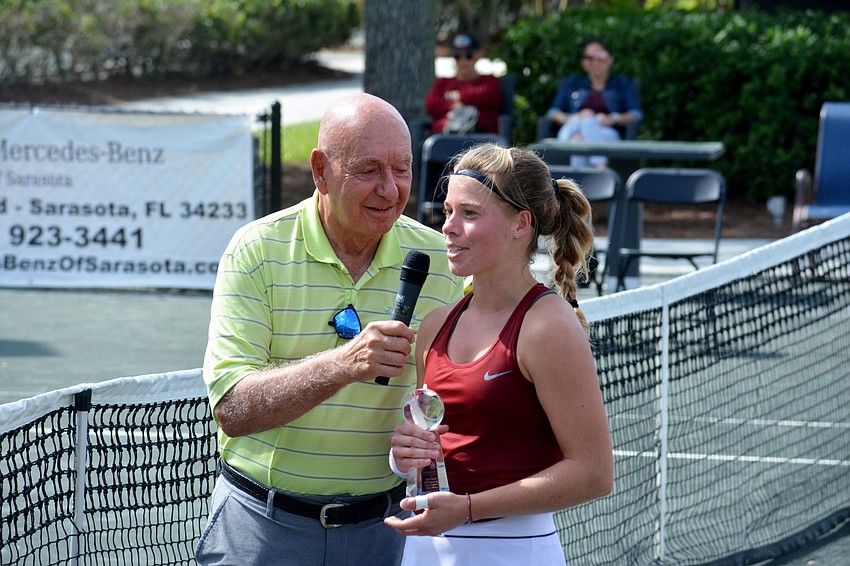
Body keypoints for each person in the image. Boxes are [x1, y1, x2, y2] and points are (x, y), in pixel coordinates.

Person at [196, 93, 465, 566]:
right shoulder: (255, 250)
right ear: (321, 171)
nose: (390, 189)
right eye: (368, 170)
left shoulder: (443, 261)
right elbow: (234, 408)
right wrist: (345, 364)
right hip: (261, 529)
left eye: (401, 169)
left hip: (386, 534)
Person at [384, 144, 614, 565]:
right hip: (424, 551)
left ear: (520, 224)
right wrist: (405, 459)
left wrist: (469, 509)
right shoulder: (434, 325)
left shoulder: (548, 326)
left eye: (469, 214)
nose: (448, 227)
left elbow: (594, 474)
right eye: (448, 211)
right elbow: (440, 449)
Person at [546, 39, 642, 167]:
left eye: (600, 58)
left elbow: (636, 114)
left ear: (609, 59)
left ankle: (578, 185)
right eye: (589, 58)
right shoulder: (571, 83)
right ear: (584, 62)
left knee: (579, 139)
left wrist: (613, 118)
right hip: (572, 127)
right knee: (586, 121)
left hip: (606, 133)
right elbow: (552, 112)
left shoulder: (622, 84)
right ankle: (601, 168)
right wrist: (572, 117)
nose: (595, 62)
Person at [425, 33, 503, 135]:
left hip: (480, 139)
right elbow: (431, 105)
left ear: (478, 55)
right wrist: (453, 105)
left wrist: (459, 96)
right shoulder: (442, 83)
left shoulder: (489, 81)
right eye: (458, 56)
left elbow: (490, 96)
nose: (463, 61)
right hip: (443, 137)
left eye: (468, 56)